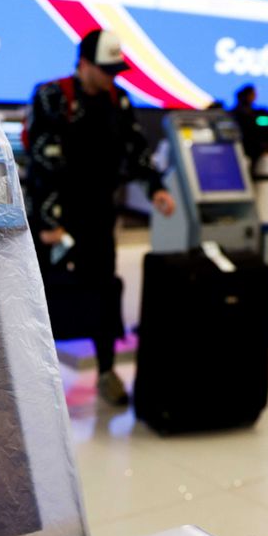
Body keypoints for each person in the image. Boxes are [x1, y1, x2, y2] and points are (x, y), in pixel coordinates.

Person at [25, 28, 176, 405]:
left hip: (99, 215)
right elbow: (41, 164)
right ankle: (36, 379)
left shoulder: (117, 100)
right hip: (57, 216)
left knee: (103, 292)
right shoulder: (52, 97)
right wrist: (47, 224)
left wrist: (155, 187)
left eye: (116, 70)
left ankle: (106, 371)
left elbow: (135, 150)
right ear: (85, 64)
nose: (112, 76)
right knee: (45, 297)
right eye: (106, 69)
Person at [230, 83, 264, 167]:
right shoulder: (238, 112)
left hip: (251, 148)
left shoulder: (256, 112)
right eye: (252, 94)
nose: (254, 97)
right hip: (242, 145)